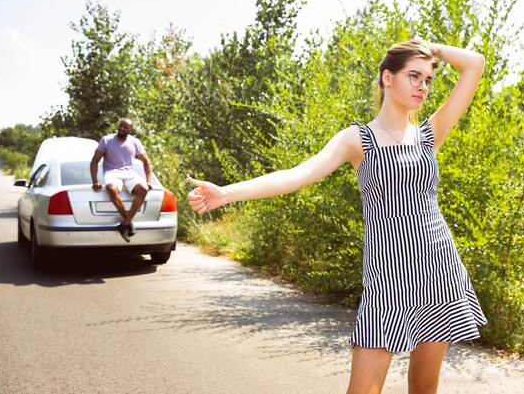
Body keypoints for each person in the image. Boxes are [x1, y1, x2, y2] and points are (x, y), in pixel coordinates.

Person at [187, 40, 487, 394]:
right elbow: (298, 174)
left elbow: (475, 64)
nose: (422, 86)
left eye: (427, 79)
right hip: (388, 280)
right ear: (387, 78)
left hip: (439, 268)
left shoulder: (428, 135)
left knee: (423, 388)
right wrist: (226, 193)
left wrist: (429, 49)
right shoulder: (356, 139)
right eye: (413, 76)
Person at [90, 117, 153, 243]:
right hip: (112, 173)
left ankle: (125, 224)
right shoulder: (106, 140)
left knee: (144, 189)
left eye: (125, 127)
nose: (122, 129)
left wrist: (149, 181)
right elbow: (95, 161)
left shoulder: (135, 142)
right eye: (121, 126)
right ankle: (128, 222)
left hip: (129, 173)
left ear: (131, 129)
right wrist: (95, 181)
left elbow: (146, 161)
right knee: (112, 189)